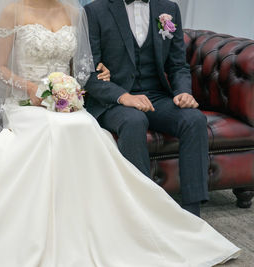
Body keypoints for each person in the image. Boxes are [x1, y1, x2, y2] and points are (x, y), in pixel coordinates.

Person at [0, 0, 240, 266]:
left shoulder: (74, 12)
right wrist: (36, 90)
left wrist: (89, 77)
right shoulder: (13, 9)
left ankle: (145, 214)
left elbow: (82, 68)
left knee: (83, 126)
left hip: (66, 98)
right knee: (58, 130)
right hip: (26, 100)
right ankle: (56, 228)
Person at [84, 0, 208, 217]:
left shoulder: (169, 9)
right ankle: (142, 210)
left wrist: (182, 91)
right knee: (134, 121)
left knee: (194, 119)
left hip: (157, 96)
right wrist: (123, 96)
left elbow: (178, 64)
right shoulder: (94, 11)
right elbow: (88, 72)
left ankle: (192, 211)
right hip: (115, 99)